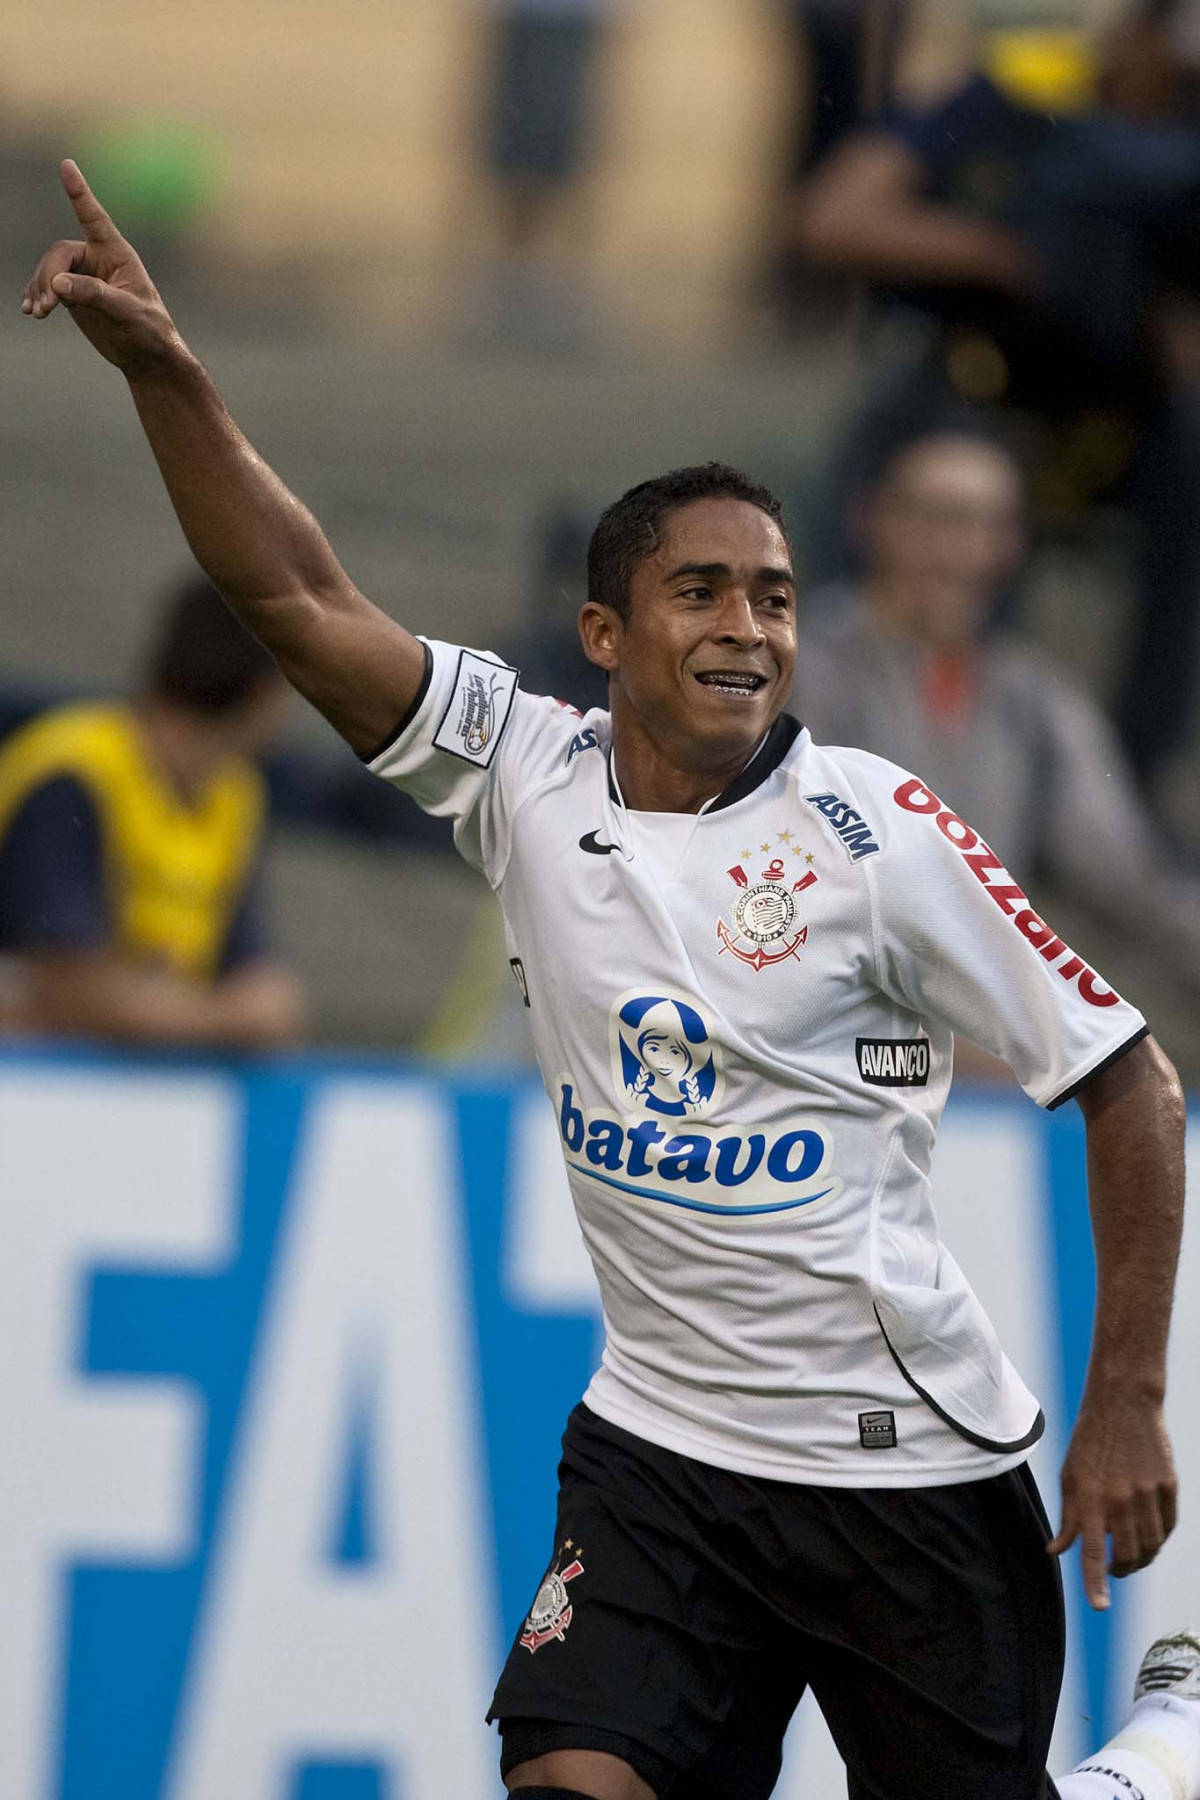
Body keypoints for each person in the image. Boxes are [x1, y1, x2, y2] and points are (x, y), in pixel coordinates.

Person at [22, 161, 1193, 1800]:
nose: (749, 625)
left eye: (775, 597)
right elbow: (292, 593)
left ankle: (1147, 1767)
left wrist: (1126, 1398)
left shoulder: (881, 835)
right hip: (660, 1461)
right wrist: (170, 374)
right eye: (702, 590)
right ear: (603, 631)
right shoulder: (524, 770)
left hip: (904, 1477)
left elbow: (1132, 1078)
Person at [788, 0, 1200, 787]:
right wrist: (1006, 252)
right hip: (973, 389)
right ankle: (845, 775)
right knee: (932, 535)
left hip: (1120, 424)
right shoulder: (1029, 92)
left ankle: (1132, 787)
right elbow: (835, 216)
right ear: (1136, 34)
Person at [791, 423, 1200, 1059]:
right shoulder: (800, 671)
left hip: (993, 1051)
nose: (965, 553)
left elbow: (1129, 877)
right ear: (871, 520)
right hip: (824, 1045)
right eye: (940, 520)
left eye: (991, 526)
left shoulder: (1030, 699)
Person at [0, 571, 306, 1049]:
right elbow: (75, 992)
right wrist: (221, 1020)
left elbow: (266, 995)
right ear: (269, 692)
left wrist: (154, 1011)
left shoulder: (234, 795)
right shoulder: (73, 772)